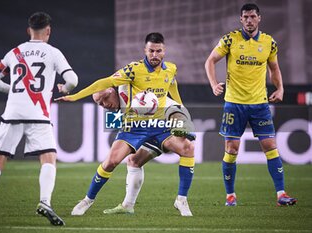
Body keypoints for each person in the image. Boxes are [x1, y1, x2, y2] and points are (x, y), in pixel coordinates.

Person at [56, 32, 195, 216]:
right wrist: (75, 96)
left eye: (158, 51)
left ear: (164, 51)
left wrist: (182, 109)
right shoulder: (133, 70)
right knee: (112, 162)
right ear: (145, 50)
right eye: (151, 51)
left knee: (188, 148)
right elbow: (103, 82)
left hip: (160, 125)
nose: (154, 54)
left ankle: (181, 200)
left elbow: (172, 86)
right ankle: (87, 200)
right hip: (133, 127)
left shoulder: (170, 69)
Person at [0, 12, 78, 226]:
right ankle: (45, 202)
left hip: (12, 113)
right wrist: (63, 89)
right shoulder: (53, 52)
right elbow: (73, 80)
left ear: (28, 30)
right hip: (38, 114)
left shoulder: (15, 52)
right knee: (48, 158)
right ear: (48, 30)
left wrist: (13, 90)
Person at [204, 3, 297, 206]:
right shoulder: (230, 39)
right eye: (245, 17)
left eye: (252, 16)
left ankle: (281, 194)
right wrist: (213, 84)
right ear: (241, 19)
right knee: (232, 149)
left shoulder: (269, 43)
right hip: (234, 103)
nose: (249, 20)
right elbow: (210, 60)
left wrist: (280, 89)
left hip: (259, 104)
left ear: (259, 18)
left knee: (270, 146)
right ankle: (230, 196)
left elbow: (275, 68)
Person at [92, 87, 196, 214]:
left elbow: (172, 105)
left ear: (110, 92)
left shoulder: (131, 89)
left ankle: (181, 200)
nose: (104, 106)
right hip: (148, 129)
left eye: (104, 101)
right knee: (134, 161)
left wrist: (182, 121)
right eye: (100, 104)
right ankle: (127, 206)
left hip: (163, 125)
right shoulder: (121, 105)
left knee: (187, 148)